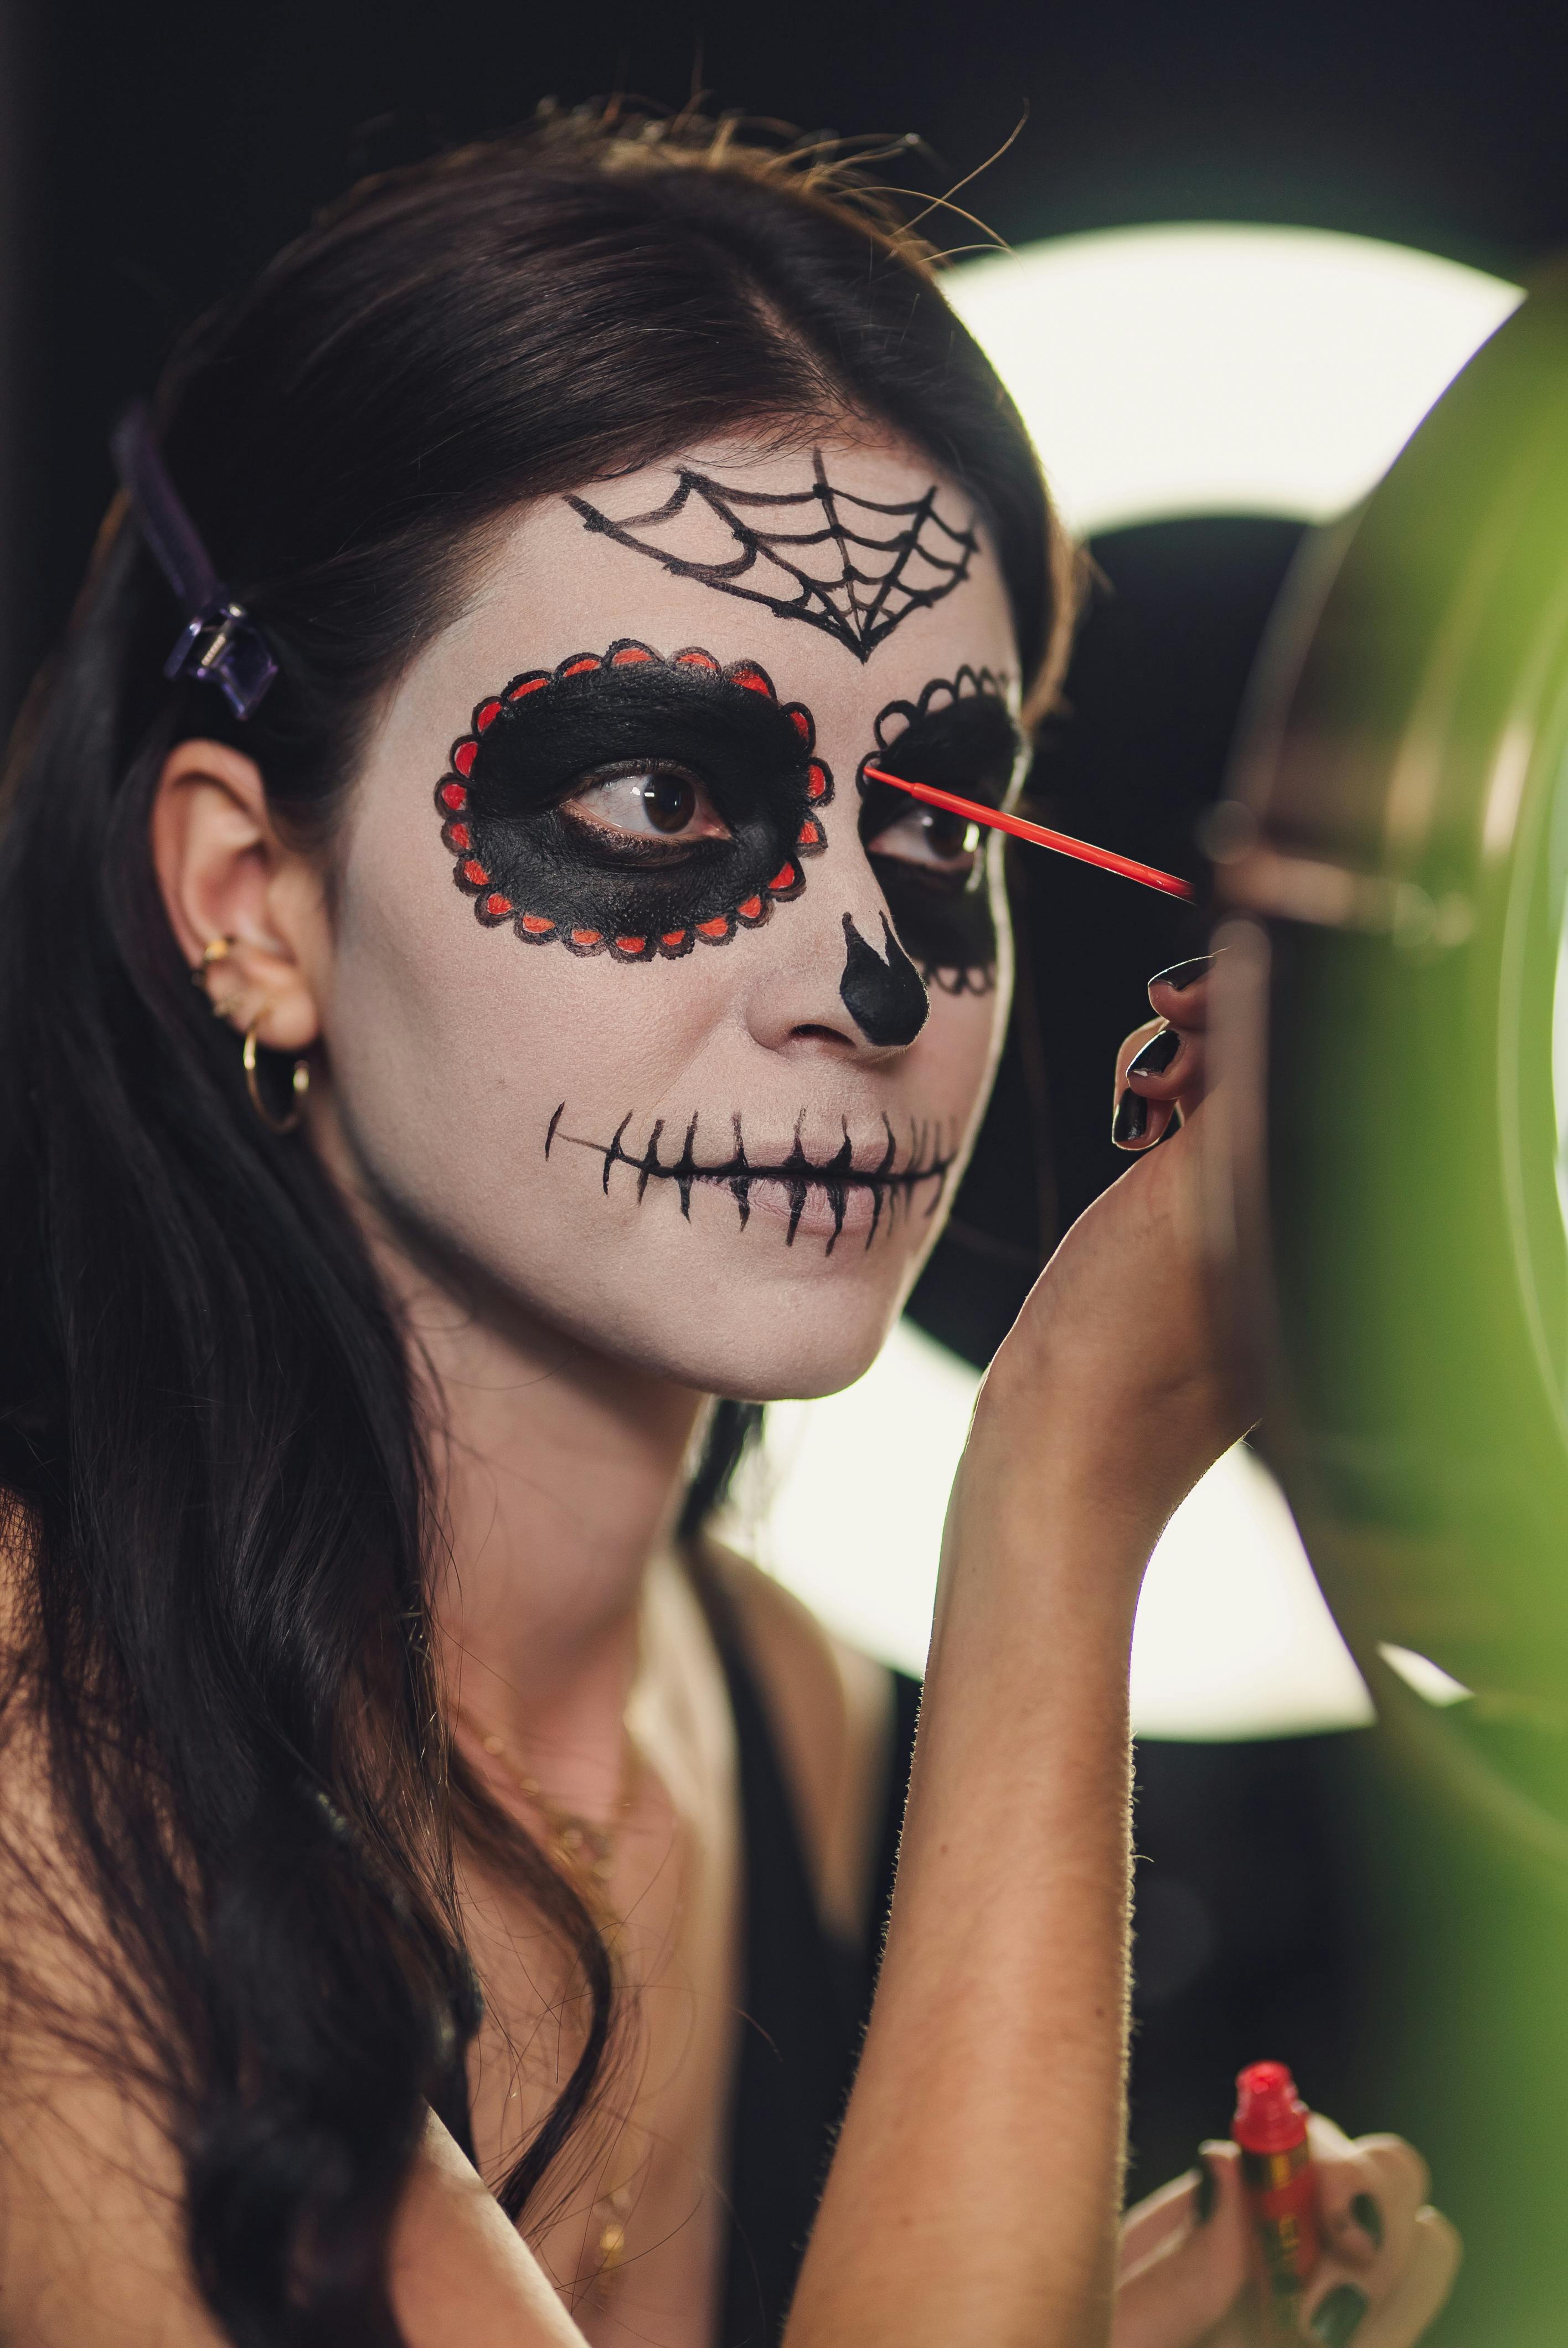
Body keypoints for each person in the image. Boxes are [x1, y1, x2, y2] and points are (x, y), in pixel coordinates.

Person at [0, 110, 1457, 2348]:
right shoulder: (41, 1752)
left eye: (936, 825)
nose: (865, 980)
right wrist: (1060, 1499)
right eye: (664, 798)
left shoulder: (786, 1718)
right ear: (250, 902)